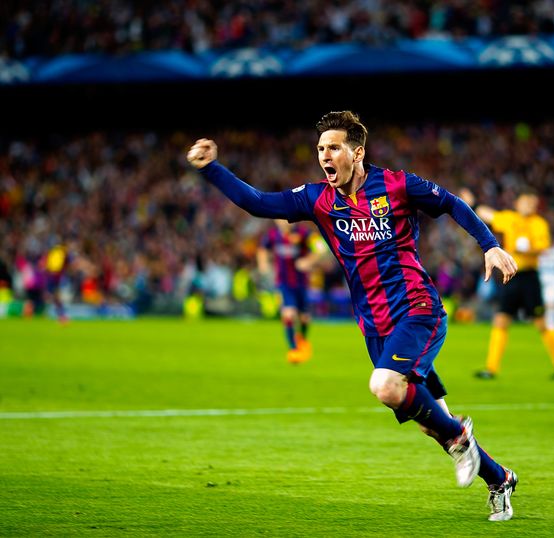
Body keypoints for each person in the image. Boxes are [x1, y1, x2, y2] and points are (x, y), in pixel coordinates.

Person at [187, 111, 520, 521]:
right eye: (320, 149)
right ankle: (500, 477)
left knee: (385, 386)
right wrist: (212, 169)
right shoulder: (316, 199)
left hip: (417, 310)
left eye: (333, 147)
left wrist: (489, 244)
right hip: (375, 326)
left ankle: (461, 439)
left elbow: (450, 202)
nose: (325, 156)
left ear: (357, 152)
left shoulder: (397, 184)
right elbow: (256, 203)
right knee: (433, 422)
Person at [461, 188, 554, 380]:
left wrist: (529, 249)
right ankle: (491, 368)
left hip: (529, 277)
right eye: (525, 201)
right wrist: (472, 203)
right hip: (511, 275)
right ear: (518, 203)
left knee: (541, 323)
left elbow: (543, 248)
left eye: (531, 202)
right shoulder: (510, 218)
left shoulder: (539, 223)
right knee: (501, 319)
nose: (529, 205)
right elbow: (488, 215)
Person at [257, 219, 315, 364]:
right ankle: (293, 349)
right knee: (289, 314)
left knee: (305, 318)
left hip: (301, 282)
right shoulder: (272, 235)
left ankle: (301, 339)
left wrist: (308, 261)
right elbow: (262, 249)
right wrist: (263, 263)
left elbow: (321, 248)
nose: (284, 221)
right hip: (283, 283)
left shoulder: (303, 233)